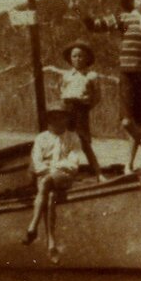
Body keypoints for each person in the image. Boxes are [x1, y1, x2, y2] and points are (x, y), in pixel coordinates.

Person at [82, 0, 141, 171]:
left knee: (139, 124)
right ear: (132, 1)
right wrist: (80, 12)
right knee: (127, 122)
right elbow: (95, 26)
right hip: (127, 73)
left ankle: (129, 164)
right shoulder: (124, 18)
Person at [22, 100, 85, 263]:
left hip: (63, 177)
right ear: (49, 120)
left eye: (62, 117)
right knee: (49, 196)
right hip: (45, 177)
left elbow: (73, 164)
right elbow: (37, 163)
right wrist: (51, 169)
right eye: (54, 117)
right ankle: (51, 244)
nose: (58, 121)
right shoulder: (41, 139)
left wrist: (54, 167)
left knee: (46, 182)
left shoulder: (72, 138)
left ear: (67, 119)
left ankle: (33, 226)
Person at [44, 39, 106, 181]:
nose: (77, 59)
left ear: (87, 58)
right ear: (70, 59)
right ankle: (61, 171)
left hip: (80, 110)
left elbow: (97, 96)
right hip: (66, 109)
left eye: (81, 56)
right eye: (74, 56)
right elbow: (61, 90)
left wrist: (86, 106)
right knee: (62, 138)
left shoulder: (91, 76)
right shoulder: (66, 75)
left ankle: (98, 172)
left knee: (83, 141)